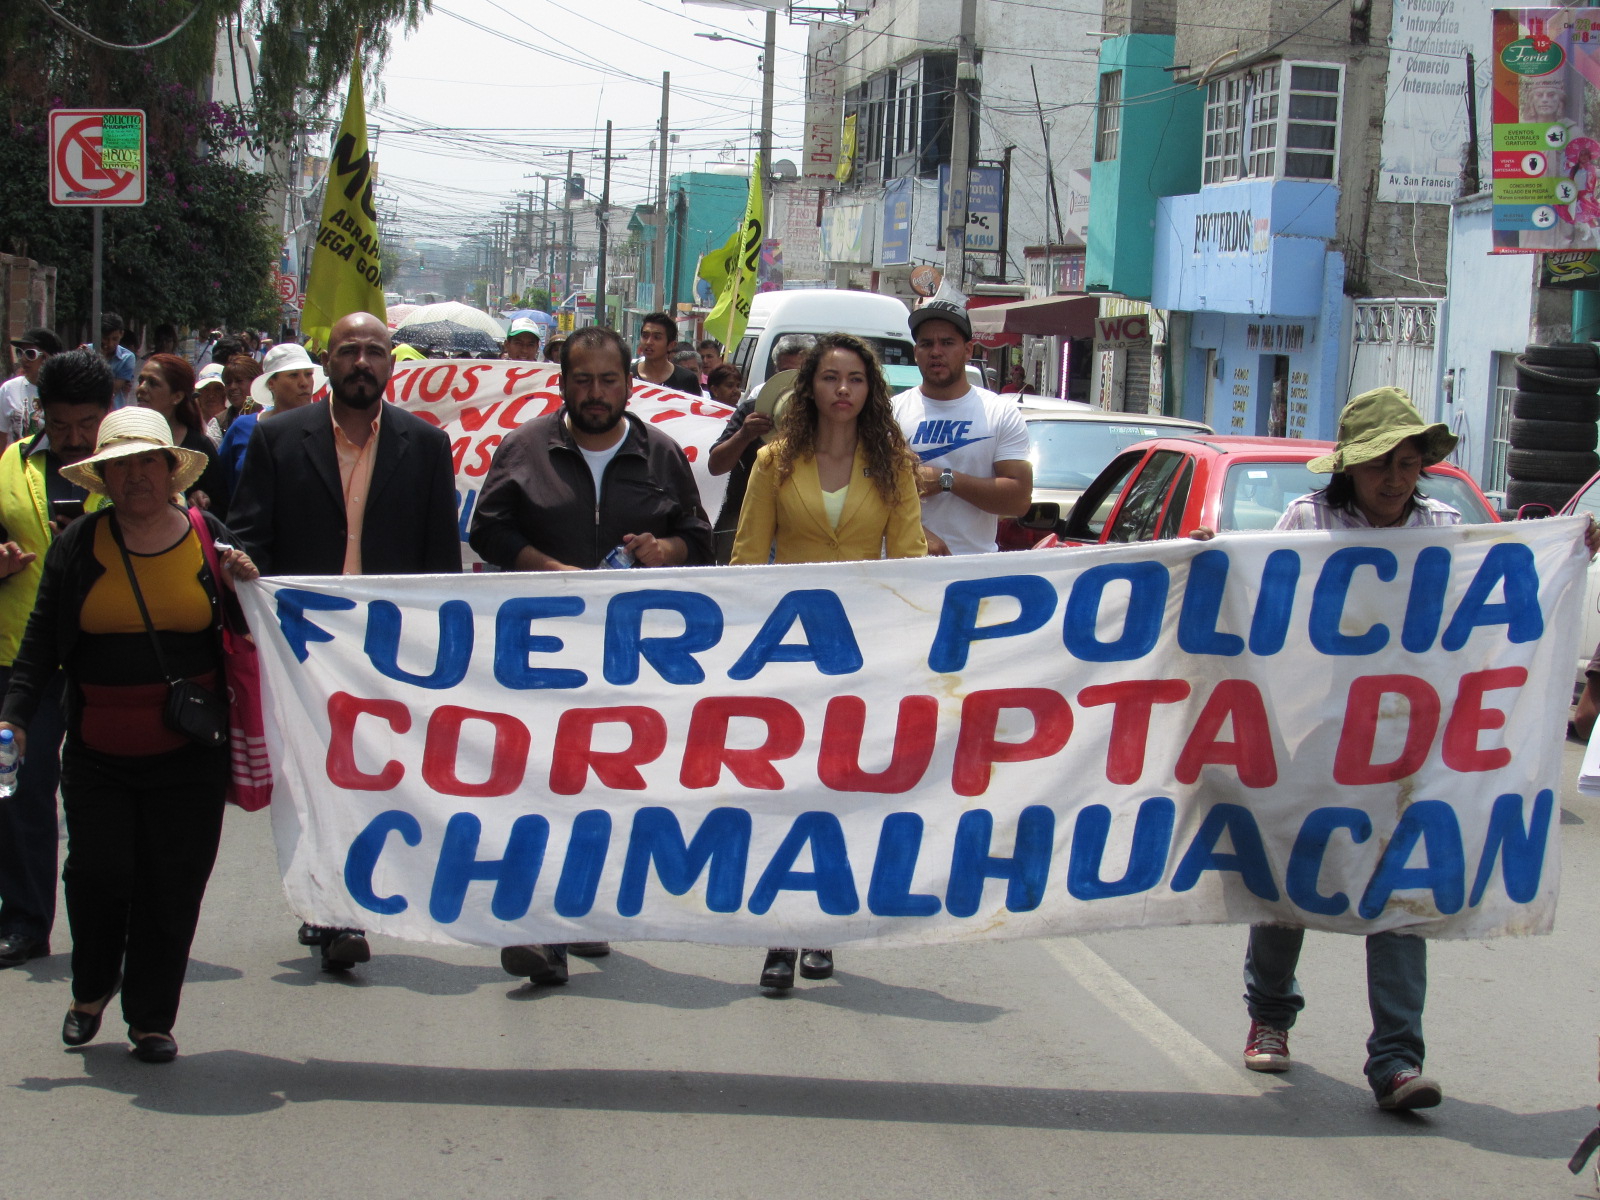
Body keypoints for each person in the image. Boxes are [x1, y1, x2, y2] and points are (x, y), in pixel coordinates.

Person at [1221, 385, 1600, 1111]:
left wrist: (1566, 552)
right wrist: (1214, 563)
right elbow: (1258, 595)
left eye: (1407, 463)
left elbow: (1494, 609)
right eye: (1379, 465)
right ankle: (1270, 1015)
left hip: (1406, 745)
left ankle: (1396, 1060)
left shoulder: (1446, 529)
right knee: (1290, 880)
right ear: (1349, 469)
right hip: (1313, 737)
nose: (1395, 479)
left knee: (1400, 892)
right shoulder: (1308, 521)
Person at [0, 406, 260, 1063]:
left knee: (173, 885)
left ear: (172, 470)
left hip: (190, 753)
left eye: (149, 461)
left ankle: (151, 1018)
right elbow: (39, 641)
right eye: (121, 465)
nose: (136, 475)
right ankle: (91, 989)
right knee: (96, 876)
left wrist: (247, 584)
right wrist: (15, 716)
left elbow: (255, 629)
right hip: (98, 753)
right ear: (103, 479)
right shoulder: (77, 546)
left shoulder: (208, 537)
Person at [470, 325, 713, 986]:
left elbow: (699, 538)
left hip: (632, 662)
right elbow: (487, 529)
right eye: (583, 380)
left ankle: (584, 909)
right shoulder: (525, 449)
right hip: (542, 656)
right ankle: (542, 929)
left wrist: (667, 550)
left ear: (630, 385)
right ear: (562, 384)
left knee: (607, 788)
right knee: (544, 785)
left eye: (608, 380)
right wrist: (551, 571)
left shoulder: (661, 454)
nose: (596, 393)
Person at [230, 311, 461, 973]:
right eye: (349, 350)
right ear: (326, 362)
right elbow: (250, 534)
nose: (362, 362)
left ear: (391, 363)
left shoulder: (425, 445)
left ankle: (346, 899)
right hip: (305, 651)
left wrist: (437, 649)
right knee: (316, 778)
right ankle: (333, 912)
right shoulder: (277, 439)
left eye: (375, 351)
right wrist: (245, 572)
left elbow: (440, 560)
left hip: (387, 653)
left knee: (373, 778)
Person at [731, 334, 926, 992]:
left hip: (863, 657)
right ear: (809, 386)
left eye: (856, 379)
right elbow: (747, 559)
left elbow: (909, 561)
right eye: (831, 377)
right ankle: (779, 936)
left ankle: (822, 927)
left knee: (841, 793)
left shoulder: (893, 466)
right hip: (787, 653)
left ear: (871, 391)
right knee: (786, 793)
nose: (843, 389)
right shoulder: (773, 461)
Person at [0, 349, 112, 969]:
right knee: (20, 792)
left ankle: (109, 927)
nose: (73, 438)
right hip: (21, 659)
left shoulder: (131, 468)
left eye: (86, 424)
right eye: (61, 423)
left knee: (103, 803)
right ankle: (24, 920)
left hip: (110, 658)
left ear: (108, 412)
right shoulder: (10, 466)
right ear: (41, 412)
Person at [892, 300, 1033, 556]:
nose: (936, 352)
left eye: (947, 343)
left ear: (968, 350)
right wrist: (918, 534)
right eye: (926, 344)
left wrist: (947, 480)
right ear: (916, 353)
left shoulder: (1000, 413)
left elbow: (1019, 500)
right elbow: (868, 491)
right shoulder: (891, 413)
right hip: (905, 566)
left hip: (974, 567)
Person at [707, 335, 817, 562]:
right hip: (746, 516)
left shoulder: (825, 415)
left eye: (800, 373)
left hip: (803, 522)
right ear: (776, 372)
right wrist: (744, 435)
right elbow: (716, 465)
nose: (793, 381)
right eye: (786, 372)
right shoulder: (752, 409)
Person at [217, 343, 323, 498]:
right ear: (271, 383)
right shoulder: (243, 427)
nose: (304, 383)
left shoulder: (323, 428)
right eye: (294, 375)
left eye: (308, 374)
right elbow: (219, 485)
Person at [135, 355, 229, 519]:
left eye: (153, 383)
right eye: (140, 380)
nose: (141, 388)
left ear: (177, 397)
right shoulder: (125, 440)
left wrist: (200, 503)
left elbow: (222, 507)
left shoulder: (199, 447)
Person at [1, 328, 63, 451]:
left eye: (30, 354)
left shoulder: (64, 391)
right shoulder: (8, 389)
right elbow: (1, 437)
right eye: (20, 352)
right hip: (18, 461)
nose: (23, 359)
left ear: (47, 358)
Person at [634, 311, 702, 395]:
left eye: (657, 337)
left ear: (671, 345)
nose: (649, 342)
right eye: (645, 336)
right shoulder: (628, 376)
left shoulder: (687, 380)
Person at [97, 313, 137, 407]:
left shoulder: (127, 357)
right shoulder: (87, 350)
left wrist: (100, 359)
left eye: (114, 339)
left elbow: (113, 389)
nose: (110, 344)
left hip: (114, 411)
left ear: (121, 334)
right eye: (105, 339)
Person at [194, 364, 228, 445]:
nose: (211, 395)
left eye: (218, 389)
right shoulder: (190, 424)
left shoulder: (233, 422)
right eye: (206, 389)